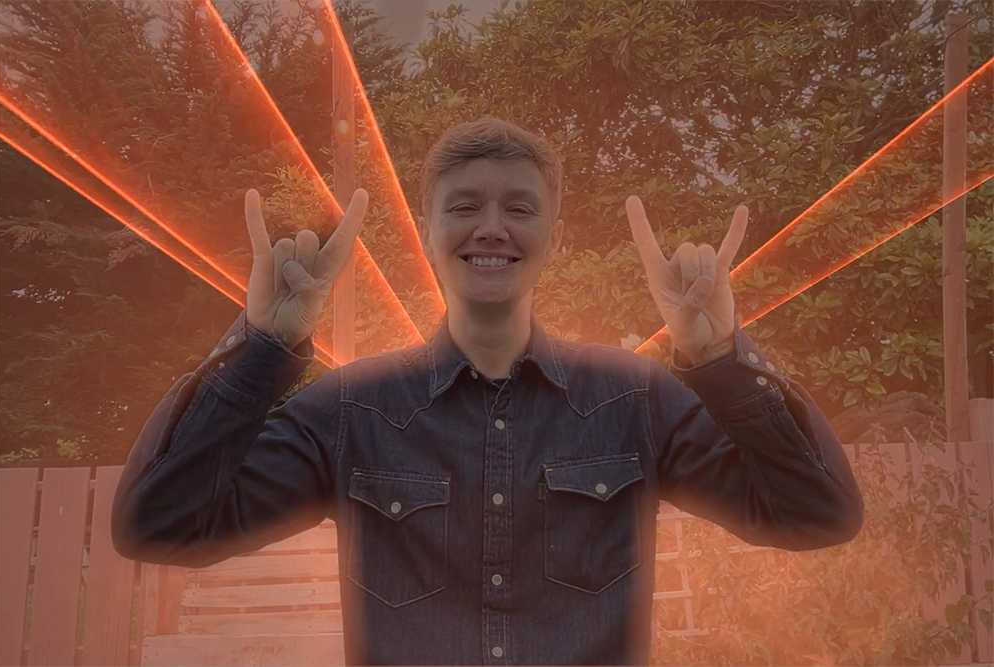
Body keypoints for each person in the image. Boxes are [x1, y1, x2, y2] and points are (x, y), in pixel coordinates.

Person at [112, 116, 863, 666]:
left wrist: (720, 357)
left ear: (555, 237)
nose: (492, 228)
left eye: (520, 208)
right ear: (428, 230)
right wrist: (262, 348)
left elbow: (819, 511)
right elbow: (158, 525)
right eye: (465, 206)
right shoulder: (350, 409)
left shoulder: (634, 398)